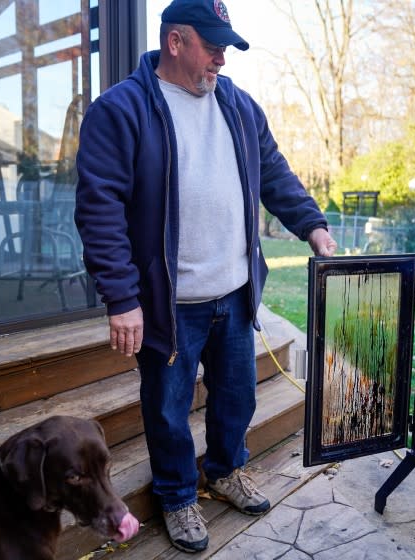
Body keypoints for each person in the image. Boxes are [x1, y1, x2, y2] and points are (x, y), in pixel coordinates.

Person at [75, 0, 337, 553]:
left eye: (226, 47)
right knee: (168, 409)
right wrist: (122, 298)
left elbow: (274, 173)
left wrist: (313, 227)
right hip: (170, 304)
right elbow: (99, 209)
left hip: (235, 293)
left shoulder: (239, 106)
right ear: (175, 41)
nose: (221, 58)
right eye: (212, 46)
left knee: (237, 398)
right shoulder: (121, 110)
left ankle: (224, 470)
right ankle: (175, 496)